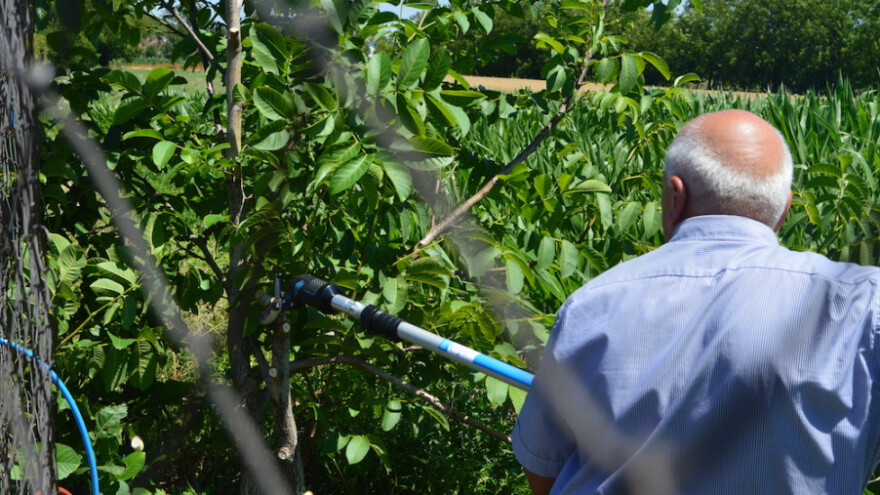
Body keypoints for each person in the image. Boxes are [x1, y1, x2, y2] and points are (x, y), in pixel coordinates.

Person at [512, 109, 880, 494]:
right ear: (784, 210)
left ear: (674, 196)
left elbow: (544, 470)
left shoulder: (591, 303)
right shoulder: (863, 303)